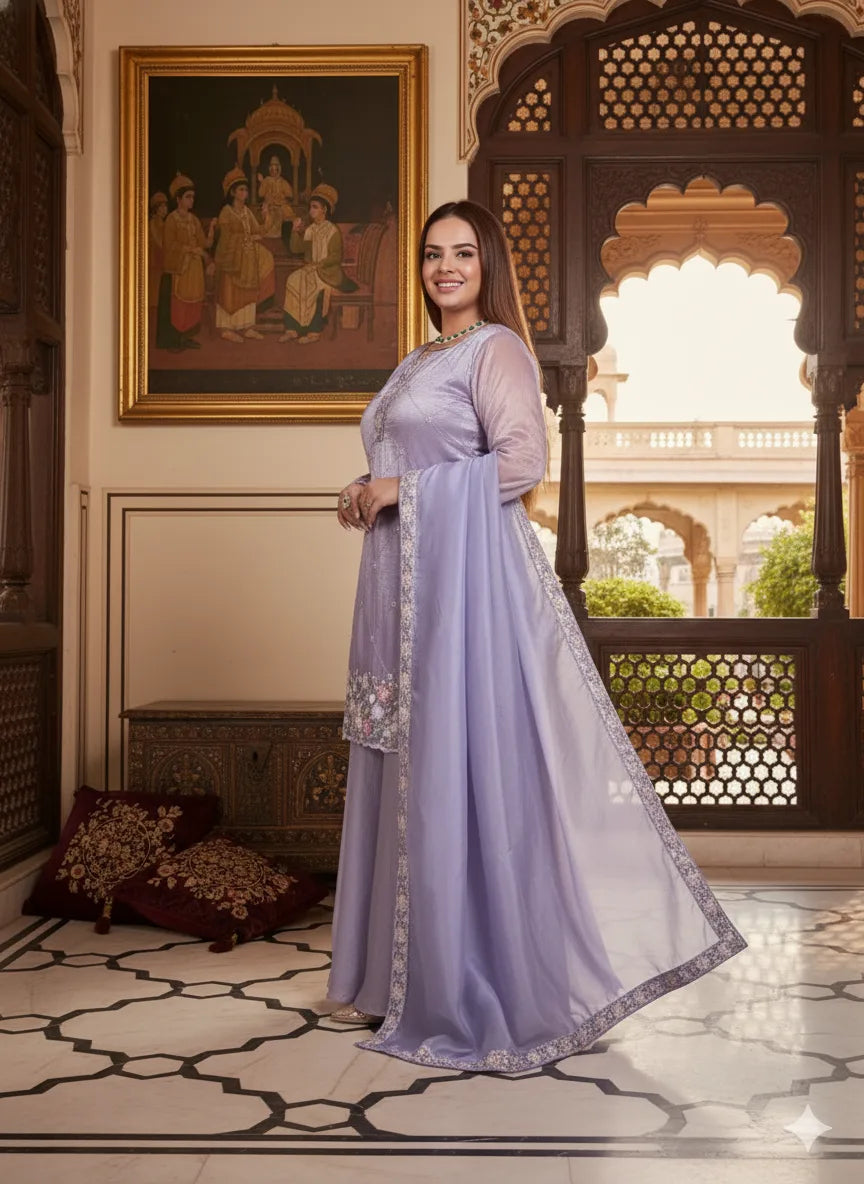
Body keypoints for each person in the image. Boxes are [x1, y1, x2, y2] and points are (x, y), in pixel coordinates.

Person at [326, 199, 746, 1073]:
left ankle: (469, 984)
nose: (446, 268)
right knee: (399, 763)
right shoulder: (419, 360)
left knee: (452, 771)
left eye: (464, 254)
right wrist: (366, 487)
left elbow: (520, 465)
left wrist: (404, 492)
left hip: (458, 601)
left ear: (488, 267)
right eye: (434, 254)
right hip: (398, 596)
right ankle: (389, 981)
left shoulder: (496, 350)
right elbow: (414, 461)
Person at [279, 183, 357, 345]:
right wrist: (294, 230)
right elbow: (297, 248)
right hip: (311, 269)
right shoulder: (310, 230)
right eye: (310, 207)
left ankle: (314, 331)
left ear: (324, 210)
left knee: (315, 286)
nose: (311, 211)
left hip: (328, 272)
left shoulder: (332, 231)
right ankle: (292, 329)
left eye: (315, 207)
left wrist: (319, 265)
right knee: (293, 279)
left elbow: (335, 257)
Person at [213, 166, 275, 343]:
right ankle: (227, 328)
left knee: (248, 292)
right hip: (231, 260)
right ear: (233, 192)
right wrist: (245, 239)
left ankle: (247, 327)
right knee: (230, 292)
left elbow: (261, 231)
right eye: (241, 189)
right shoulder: (226, 212)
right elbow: (225, 239)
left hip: (247, 260)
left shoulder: (247, 212)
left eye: (246, 189)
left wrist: (266, 214)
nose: (245, 193)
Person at [155, 174, 214, 352]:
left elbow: (204, 243)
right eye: (188, 197)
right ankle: (174, 339)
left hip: (193, 269)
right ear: (179, 199)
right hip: (179, 268)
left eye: (193, 197)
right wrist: (189, 249)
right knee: (177, 304)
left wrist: (211, 229)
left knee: (192, 304)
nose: (191, 200)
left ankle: (186, 336)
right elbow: (170, 245)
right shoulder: (171, 220)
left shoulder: (194, 220)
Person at [256, 154, 294, 240]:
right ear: (269, 169)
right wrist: (261, 182)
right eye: (272, 168)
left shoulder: (283, 181)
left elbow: (290, 195)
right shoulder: (266, 180)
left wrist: (280, 198)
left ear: (279, 169)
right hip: (269, 206)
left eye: (275, 168)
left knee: (285, 212)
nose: (274, 171)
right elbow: (261, 194)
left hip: (281, 205)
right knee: (269, 214)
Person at [148, 191, 168, 310]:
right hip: (155, 262)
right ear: (156, 208)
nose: (164, 209)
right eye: (161, 207)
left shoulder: (163, 223)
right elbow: (160, 242)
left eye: (165, 206)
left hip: (161, 263)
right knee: (154, 296)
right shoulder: (154, 223)